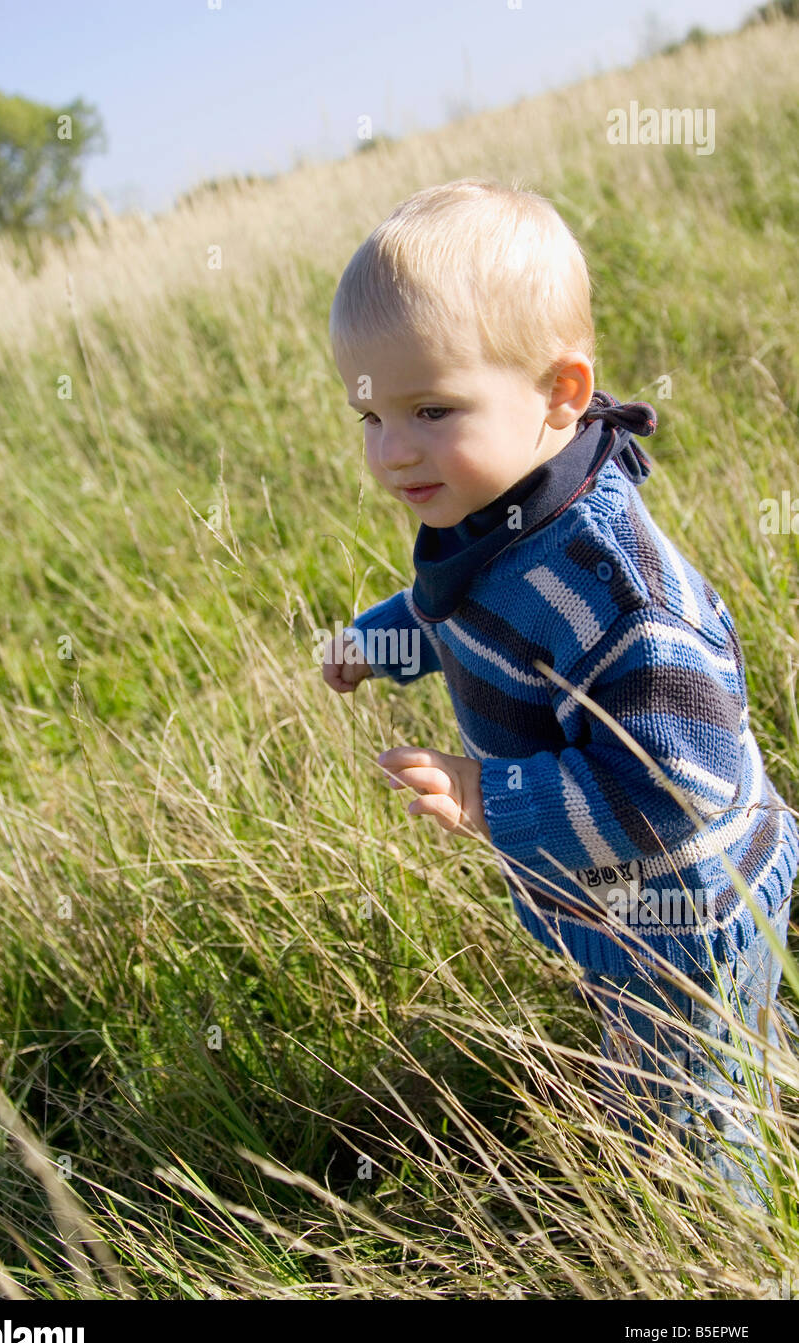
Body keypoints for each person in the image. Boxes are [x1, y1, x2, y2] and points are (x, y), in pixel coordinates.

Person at [321, 177, 798, 1210]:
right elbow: (467, 611)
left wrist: (491, 796)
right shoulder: (495, 510)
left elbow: (679, 782)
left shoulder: (612, 582)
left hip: (685, 899)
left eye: (428, 409)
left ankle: (716, 1256)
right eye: (367, 413)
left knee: (679, 1119)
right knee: (724, 1051)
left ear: (558, 392)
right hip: (624, 893)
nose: (390, 449)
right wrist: (376, 640)